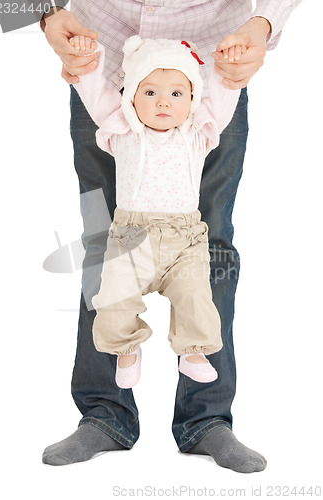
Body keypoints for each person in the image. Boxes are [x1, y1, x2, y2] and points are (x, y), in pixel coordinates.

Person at [42, 1, 301, 473]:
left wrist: (265, 23)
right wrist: (43, 11)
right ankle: (103, 414)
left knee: (214, 245)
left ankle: (207, 419)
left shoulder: (203, 116)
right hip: (101, 57)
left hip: (210, 67)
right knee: (104, 244)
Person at [71, 35, 243, 388]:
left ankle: (193, 353)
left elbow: (224, 97)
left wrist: (229, 69)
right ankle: (126, 351)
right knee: (113, 298)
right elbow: (95, 95)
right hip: (131, 237)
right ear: (131, 96)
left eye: (176, 94)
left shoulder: (198, 132)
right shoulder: (122, 129)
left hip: (185, 240)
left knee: (197, 297)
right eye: (150, 93)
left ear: (193, 99)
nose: (163, 102)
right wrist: (86, 62)